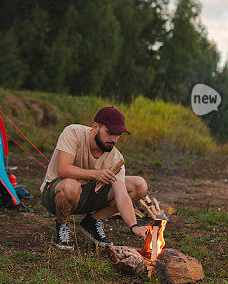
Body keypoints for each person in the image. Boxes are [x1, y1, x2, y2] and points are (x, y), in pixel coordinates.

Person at [40, 106, 150, 250]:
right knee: (71, 186)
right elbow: (63, 169)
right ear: (96, 127)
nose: (114, 139)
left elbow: (122, 196)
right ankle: (62, 225)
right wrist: (95, 174)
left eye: (118, 135)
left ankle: (93, 221)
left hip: (88, 197)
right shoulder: (73, 132)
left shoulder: (116, 158)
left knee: (139, 185)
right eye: (110, 133)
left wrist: (133, 226)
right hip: (55, 193)